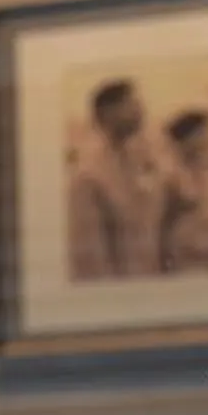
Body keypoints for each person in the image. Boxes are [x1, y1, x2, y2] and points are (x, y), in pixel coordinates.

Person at [67, 78, 161, 280]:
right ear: (109, 113)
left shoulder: (133, 158)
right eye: (133, 104)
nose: (141, 111)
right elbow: (90, 255)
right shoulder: (89, 173)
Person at [160, 110, 208, 276]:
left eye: (207, 134)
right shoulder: (169, 175)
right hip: (183, 255)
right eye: (200, 134)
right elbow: (162, 222)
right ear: (185, 140)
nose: (207, 140)